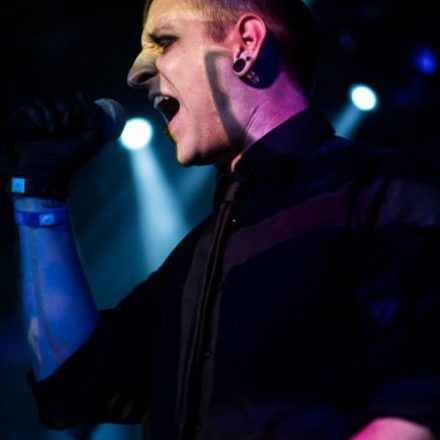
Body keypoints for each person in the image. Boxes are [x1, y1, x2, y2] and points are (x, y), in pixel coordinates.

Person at [1, 0, 440, 438]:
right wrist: (40, 191)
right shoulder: (195, 258)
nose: (135, 73)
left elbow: (416, 407)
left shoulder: (389, 192)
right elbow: (71, 386)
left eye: (165, 41)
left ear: (246, 45)